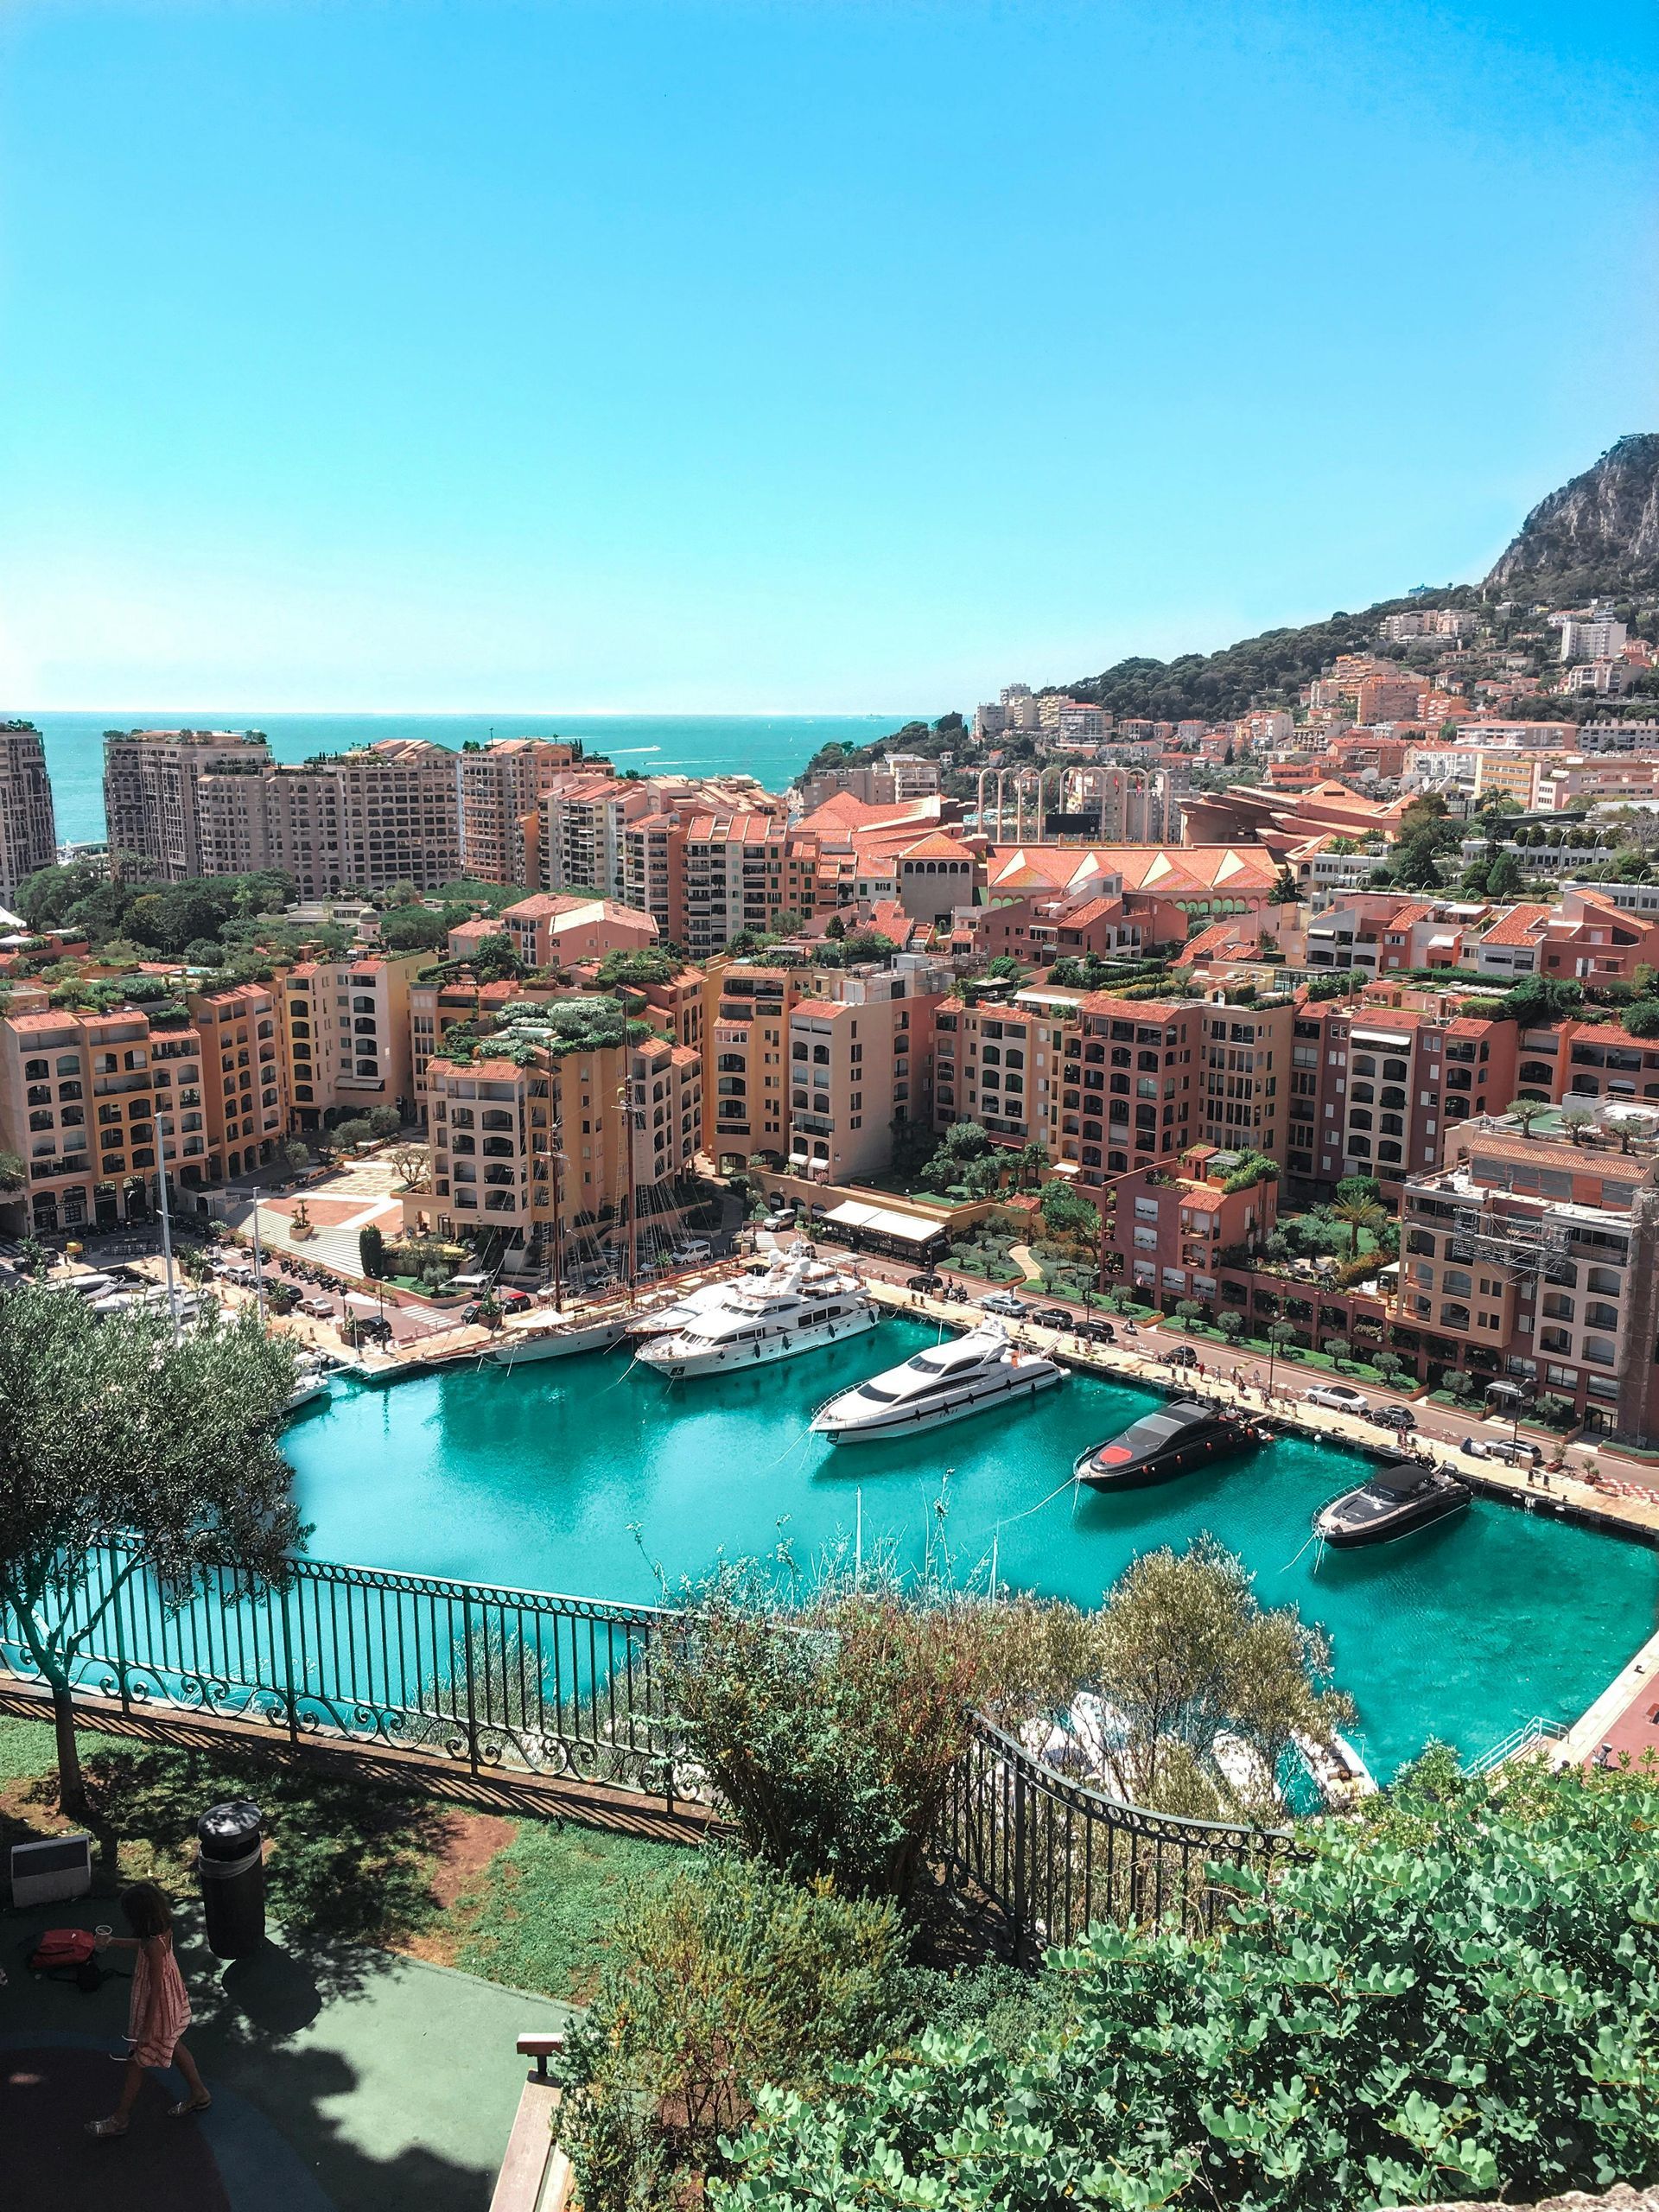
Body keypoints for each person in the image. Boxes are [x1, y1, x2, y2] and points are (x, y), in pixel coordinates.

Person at [85, 1882, 211, 2138]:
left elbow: (155, 1989)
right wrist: (114, 1942)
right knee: (174, 2043)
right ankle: (200, 2093)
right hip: (171, 2000)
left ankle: (120, 2119)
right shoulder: (161, 1932)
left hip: (158, 2008)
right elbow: (143, 1945)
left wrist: (146, 2029)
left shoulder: (154, 1946)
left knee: (136, 2061)